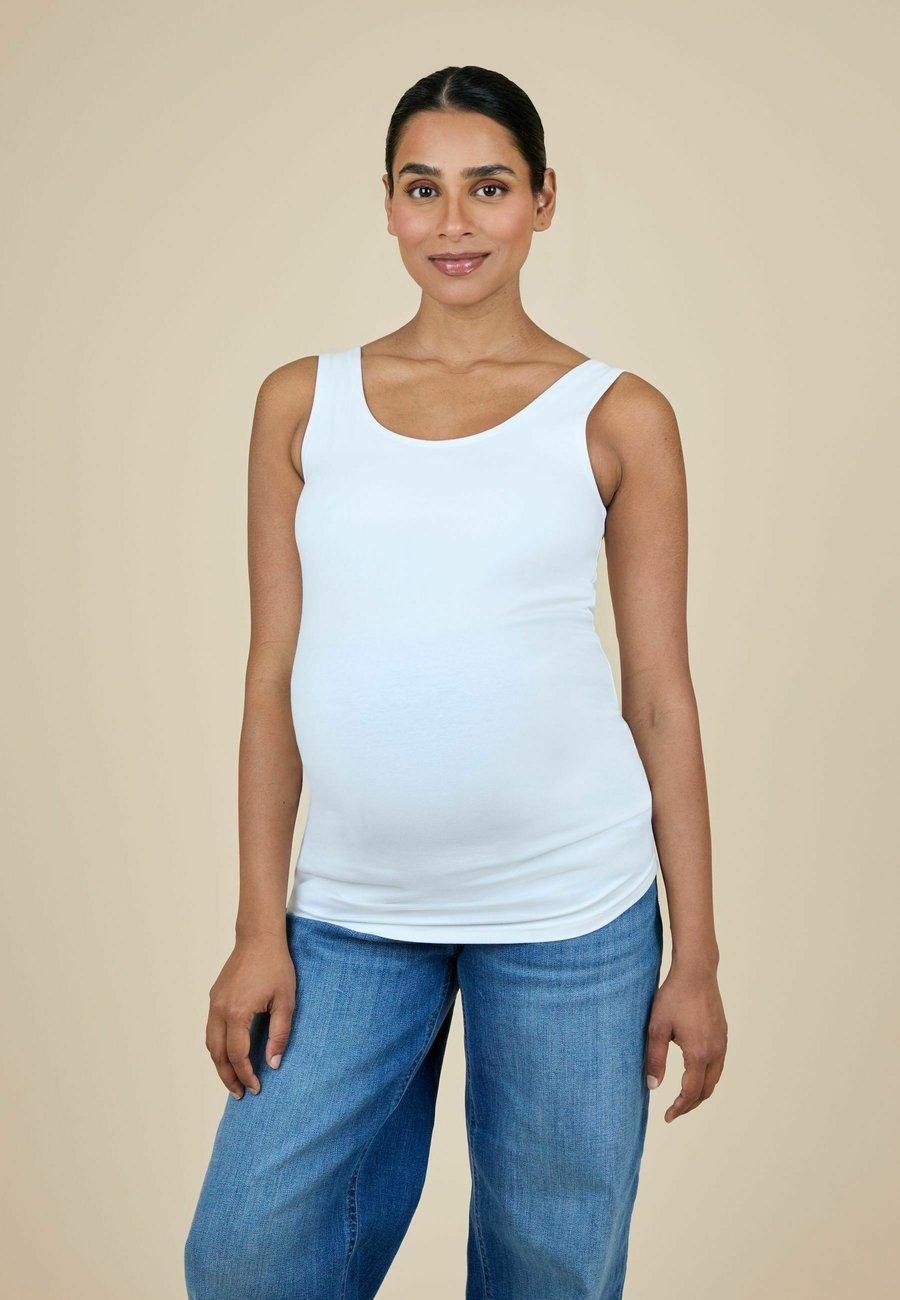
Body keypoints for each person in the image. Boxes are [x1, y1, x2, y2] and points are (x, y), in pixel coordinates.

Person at [184, 64, 727, 1300]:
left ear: (543, 199)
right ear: (388, 203)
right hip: (353, 908)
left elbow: (659, 694)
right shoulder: (301, 404)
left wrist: (695, 954)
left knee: (550, 1269)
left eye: (488, 187)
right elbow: (272, 676)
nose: (454, 221)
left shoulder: (617, 415)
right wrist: (258, 924)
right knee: (248, 1252)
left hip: (572, 912)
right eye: (423, 189)